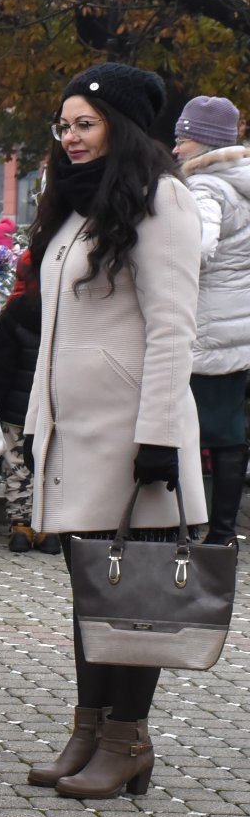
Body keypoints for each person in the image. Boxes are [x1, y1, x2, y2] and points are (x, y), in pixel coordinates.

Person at [22, 63, 204, 800]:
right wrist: (37, 425)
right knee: (92, 593)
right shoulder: (75, 205)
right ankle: (90, 728)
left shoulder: (163, 199)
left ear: (119, 126)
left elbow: (173, 328)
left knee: (134, 599)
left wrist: (159, 437)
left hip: (133, 439)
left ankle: (128, 740)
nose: (70, 137)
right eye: (63, 125)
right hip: (77, 434)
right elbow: (56, 333)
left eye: (85, 124)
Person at [172, 95, 250, 544]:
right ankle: (223, 535)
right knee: (228, 433)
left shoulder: (205, 186)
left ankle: (188, 530)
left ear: (204, 141)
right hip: (237, 327)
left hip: (206, 329)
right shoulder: (241, 182)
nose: (176, 147)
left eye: (183, 138)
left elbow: (196, 247)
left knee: (186, 432)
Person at [0, 251, 54, 553]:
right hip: (55, 408)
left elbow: (0, 365)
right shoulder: (65, 310)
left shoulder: (15, 312)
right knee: (51, 465)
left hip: (17, 410)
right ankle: (48, 528)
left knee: (19, 467)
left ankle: (21, 527)